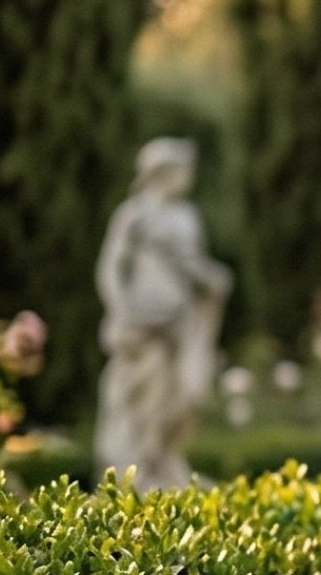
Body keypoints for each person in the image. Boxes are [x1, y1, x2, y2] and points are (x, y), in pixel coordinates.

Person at [93, 138, 232, 489]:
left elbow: (191, 265)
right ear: (162, 172)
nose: (189, 178)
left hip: (181, 321)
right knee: (145, 394)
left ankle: (166, 460)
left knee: (188, 393)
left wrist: (214, 278)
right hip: (143, 322)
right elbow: (111, 267)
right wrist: (122, 307)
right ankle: (137, 469)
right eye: (184, 170)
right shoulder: (133, 213)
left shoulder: (187, 216)